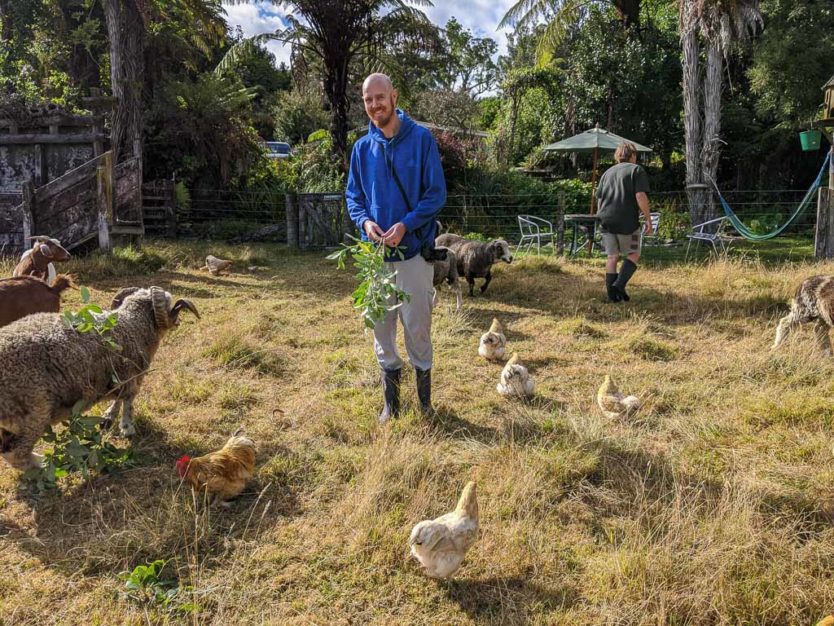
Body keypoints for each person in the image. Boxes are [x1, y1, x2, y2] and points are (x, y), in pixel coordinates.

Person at [345, 73, 447, 422]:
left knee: (417, 328)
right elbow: (354, 197)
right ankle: (392, 404)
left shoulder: (421, 140)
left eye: (380, 97)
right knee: (380, 327)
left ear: (394, 95)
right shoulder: (361, 149)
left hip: (414, 253)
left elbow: (436, 194)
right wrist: (365, 223)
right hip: (375, 258)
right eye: (368, 100)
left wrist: (407, 224)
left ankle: (425, 405)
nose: (375, 105)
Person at [595, 142, 652, 302]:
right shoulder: (636, 170)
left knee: (612, 257)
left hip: (605, 219)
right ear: (632, 155)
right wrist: (648, 218)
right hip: (627, 222)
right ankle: (618, 285)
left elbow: (600, 199)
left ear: (617, 155)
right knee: (634, 253)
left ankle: (612, 296)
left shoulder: (607, 173)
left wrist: (601, 216)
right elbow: (640, 195)